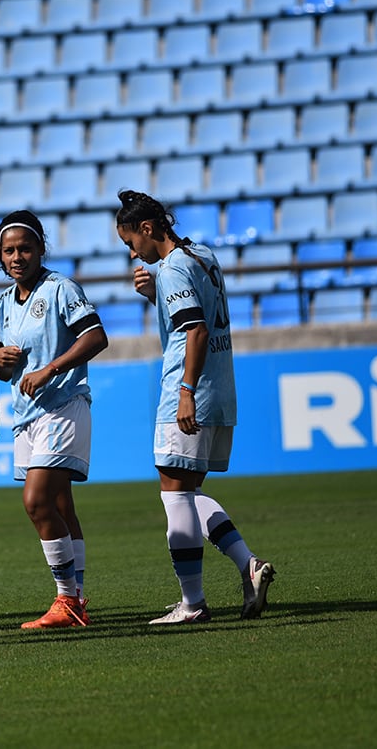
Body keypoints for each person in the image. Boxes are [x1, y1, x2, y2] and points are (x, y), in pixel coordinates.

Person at [114, 190, 274, 625]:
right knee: (188, 492)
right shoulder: (202, 254)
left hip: (190, 391)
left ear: (148, 229)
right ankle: (249, 566)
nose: (133, 253)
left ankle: (193, 603)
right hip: (221, 388)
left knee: (174, 495)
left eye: (132, 242)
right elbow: (195, 315)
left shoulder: (173, 269)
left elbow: (196, 331)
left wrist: (185, 390)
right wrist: (156, 296)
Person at [0, 210, 108, 629]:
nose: (17, 256)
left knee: (36, 501)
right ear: (0, 257)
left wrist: (50, 369)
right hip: (27, 416)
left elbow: (96, 335)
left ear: (40, 249)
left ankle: (65, 598)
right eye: (9, 250)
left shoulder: (60, 289)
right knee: (59, 505)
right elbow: (3, 366)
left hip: (63, 405)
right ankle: (75, 603)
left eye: (25, 248)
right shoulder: (3, 303)